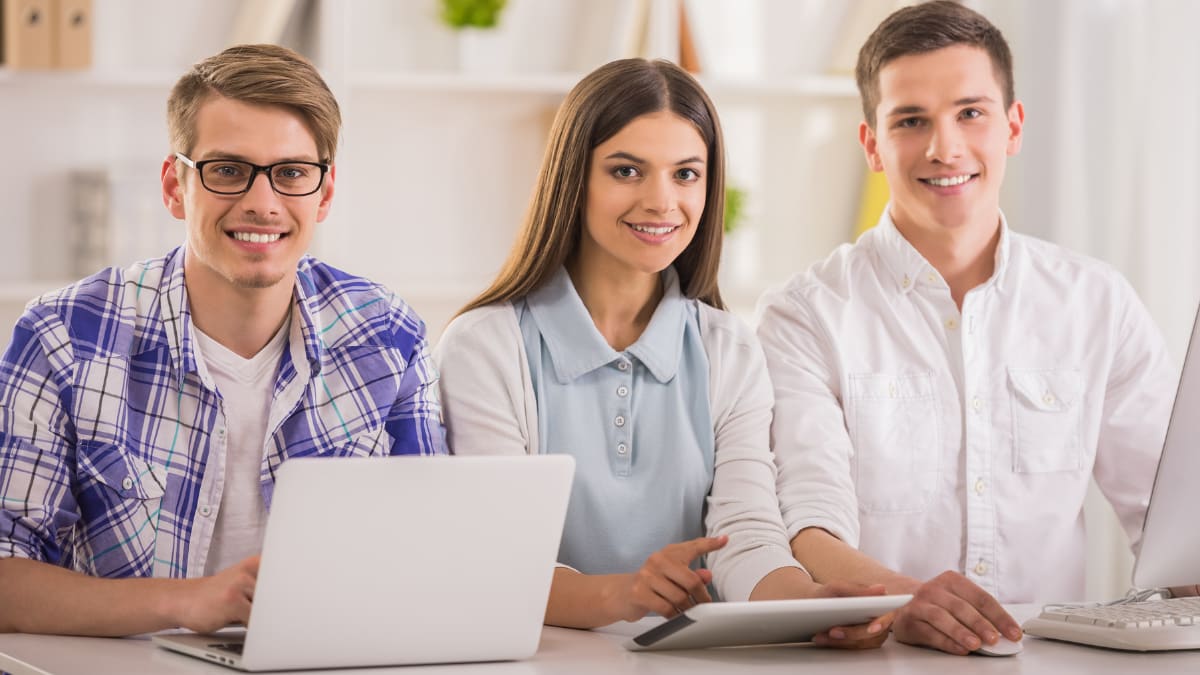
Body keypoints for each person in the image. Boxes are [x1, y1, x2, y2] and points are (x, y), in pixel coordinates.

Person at [756, 0, 1175, 655]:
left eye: (970, 113)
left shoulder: (1098, 303)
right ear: (872, 144)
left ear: (1013, 126)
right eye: (911, 120)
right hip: (878, 662)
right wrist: (902, 598)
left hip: (1050, 663)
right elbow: (809, 523)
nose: (943, 147)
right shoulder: (804, 315)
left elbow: (1169, 515)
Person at [0, 44, 445, 637]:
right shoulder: (63, 337)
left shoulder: (387, 335)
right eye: (228, 171)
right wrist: (185, 603)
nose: (262, 204)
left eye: (290, 174)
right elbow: (7, 576)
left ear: (326, 192)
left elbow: (434, 557)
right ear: (175, 185)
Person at [436, 58, 886, 643]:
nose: (661, 201)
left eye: (686, 174)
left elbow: (745, 533)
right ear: (574, 178)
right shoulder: (485, 347)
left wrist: (808, 605)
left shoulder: (729, 350)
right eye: (626, 171)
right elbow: (501, 558)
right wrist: (623, 593)